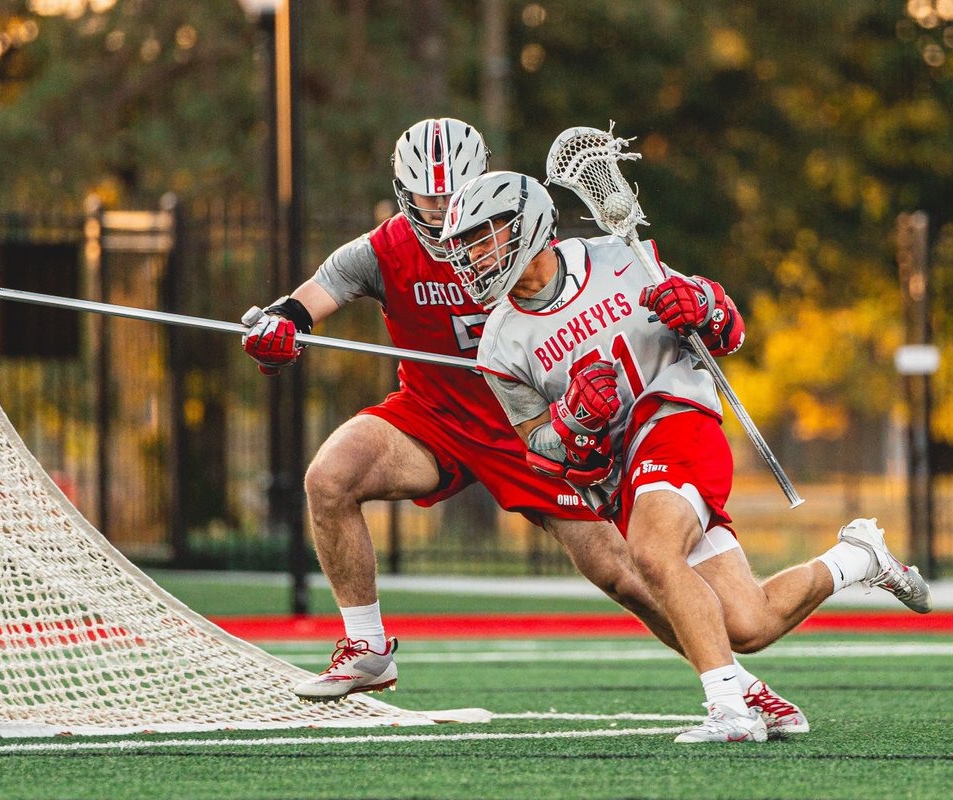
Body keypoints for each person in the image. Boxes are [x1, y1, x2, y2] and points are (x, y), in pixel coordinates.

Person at [240, 120, 807, 734]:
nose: (441, 214)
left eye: (453, 197)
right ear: (403, 193)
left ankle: (741, 687)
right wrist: (277, 326)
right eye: (426, 199)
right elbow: (308, 299)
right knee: (330, 476)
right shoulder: (381, 249)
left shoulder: (513, 236)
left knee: (628, 571)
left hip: (536, 426)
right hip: (433, 417)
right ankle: (366, 646)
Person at [439, 170, 933, 744]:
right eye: (464, 246)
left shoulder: (620, 257)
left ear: (524, 226)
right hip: (628, 470)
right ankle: (858, 557)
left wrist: (700, 304)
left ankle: (729, 709)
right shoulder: (499, 340)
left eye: (481, 238)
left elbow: (725, 329)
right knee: (748, 624)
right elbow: (540, 450)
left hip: (677, 419)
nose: (470, 259)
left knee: (651, 553)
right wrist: (572, 417)